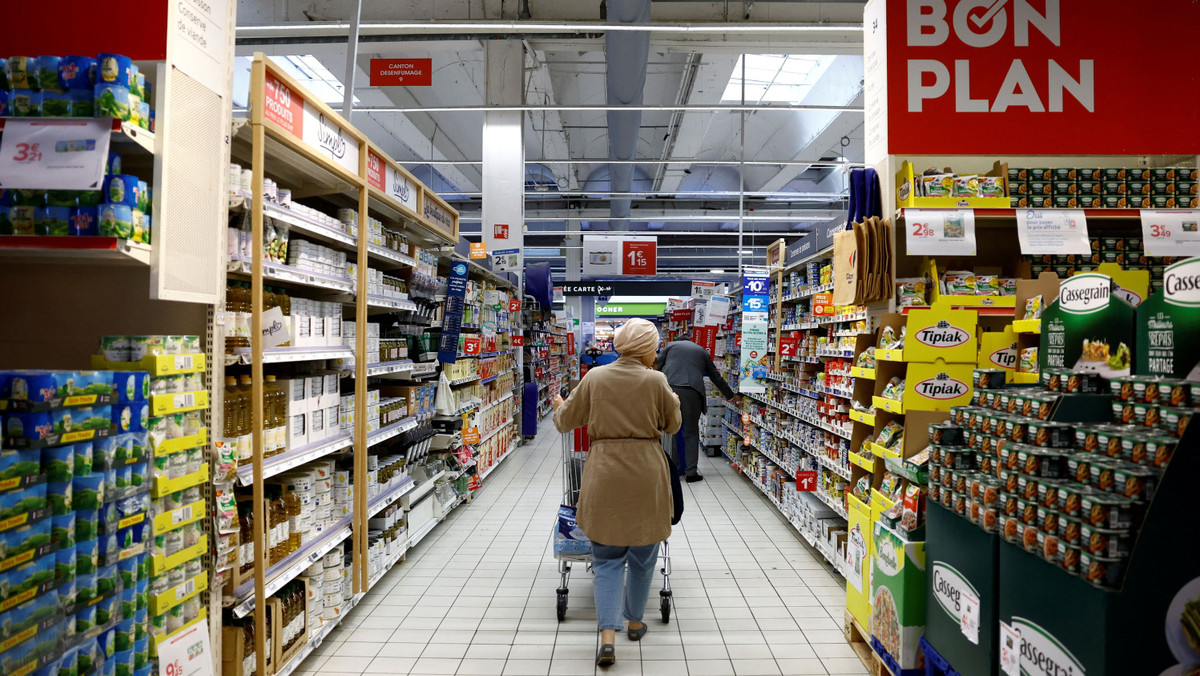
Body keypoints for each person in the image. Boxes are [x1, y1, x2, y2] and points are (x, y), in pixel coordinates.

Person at [551, 318, 681, 668]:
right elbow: (673, 425)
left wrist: (559, 404)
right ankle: (635, 622)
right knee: (643, 555)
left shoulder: (595, 377)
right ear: (645, 348)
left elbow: (565, 421)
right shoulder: (657, 381)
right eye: (655, 346)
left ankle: (607, 636)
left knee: (606, 559)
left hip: (605, 469)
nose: (657, 352)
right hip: (646, 471)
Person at [655, 337, 738, 482]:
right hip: (692, 392)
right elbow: (716, 377)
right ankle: (691, 472)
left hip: (671, 390)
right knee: (691, 432)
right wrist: (730, 396)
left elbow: (656, 368)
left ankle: (674, 469)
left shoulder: (669, 347)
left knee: (671, 431)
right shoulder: (701, 351)